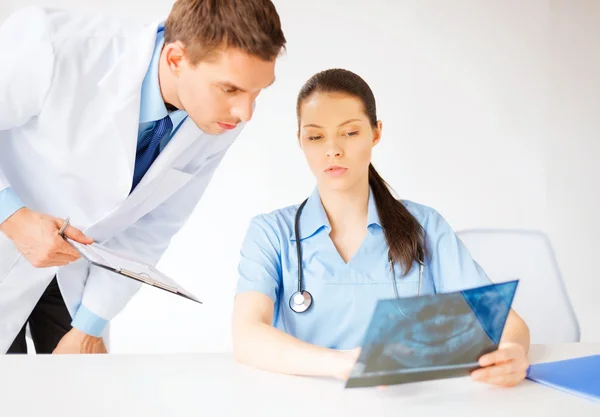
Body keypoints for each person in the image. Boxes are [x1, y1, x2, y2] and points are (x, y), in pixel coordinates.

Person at [0, 0, 285, 355]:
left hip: (73, 275)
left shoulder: (220, 119)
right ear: (176, 59)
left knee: (76, 399)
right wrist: (10, 216)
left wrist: (89, 325)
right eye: (230, 89)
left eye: (258, 91)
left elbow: (155, 224)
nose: (246, 112)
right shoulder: (55, 44)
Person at [232, 68, 530, 387]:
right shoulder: (271, 233)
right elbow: (247, 335)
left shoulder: (424, 225)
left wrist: (513, 353)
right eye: (316, 136)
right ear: (300, 141)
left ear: (376, 133)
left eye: (350, 132)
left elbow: (507, 323)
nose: (332, 149)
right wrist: (343, 365)